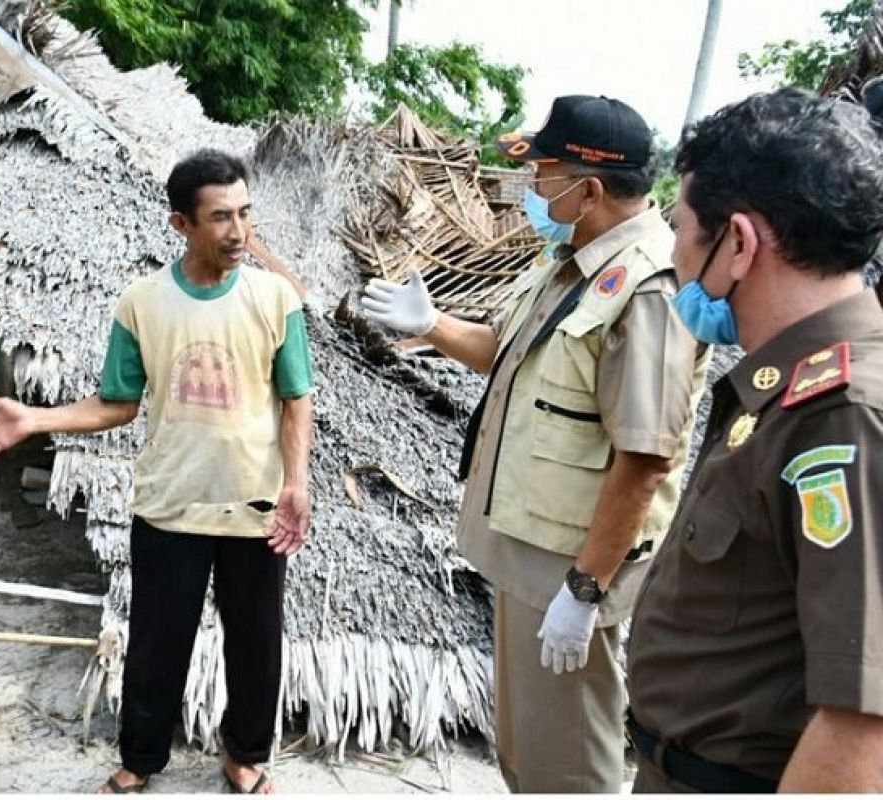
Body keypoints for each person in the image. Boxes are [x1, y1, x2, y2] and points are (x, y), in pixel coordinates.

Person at [361, 95, 709, 792]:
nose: (533, 190)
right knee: (530, 753)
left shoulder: (646, 289)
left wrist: (584, 590)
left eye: (545, 173)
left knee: (570, 762)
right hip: (529, 548)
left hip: (571, 563)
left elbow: (644, 460)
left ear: (589, 190)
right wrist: (433, 325)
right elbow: (509, 351)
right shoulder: (569, 261)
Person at [0, 149, 314, 795]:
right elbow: (115, 405)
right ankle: (141, 758)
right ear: (182, 224)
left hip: (255, 505)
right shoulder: (141, 303)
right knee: (157, 643)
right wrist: (36, 421)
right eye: (219, 218)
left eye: (244, 214)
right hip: (170, 503)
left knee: (256, 644)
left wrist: (297, 481)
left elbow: (296, 398)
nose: (237, 232)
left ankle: (245, 754)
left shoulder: (275, 298)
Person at [626, 88, 883, 793]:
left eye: (678, 226)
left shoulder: (843, 416)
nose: (672, 253)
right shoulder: (792, 389)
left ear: (737, 243)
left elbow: (862, 728)